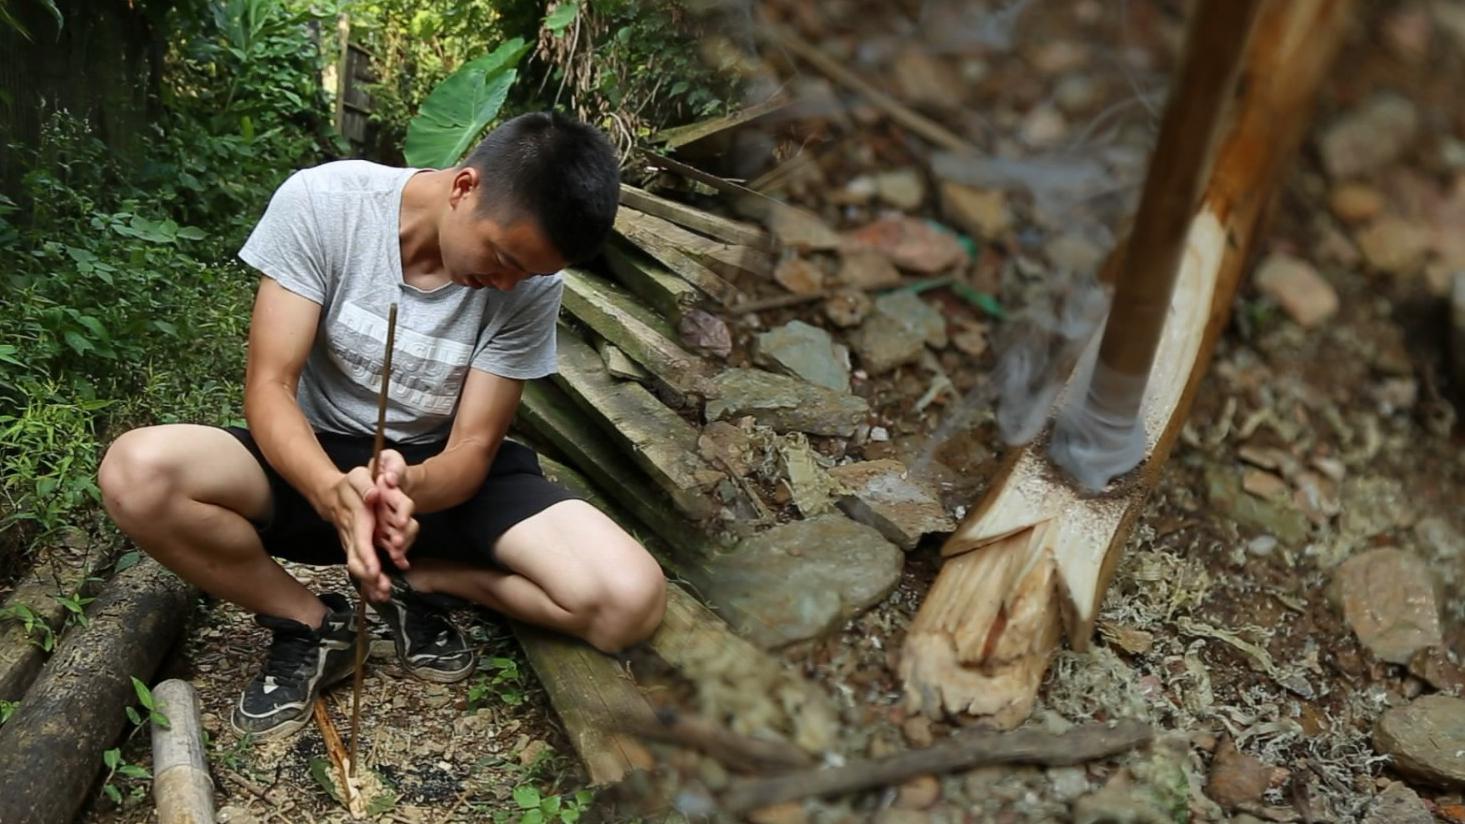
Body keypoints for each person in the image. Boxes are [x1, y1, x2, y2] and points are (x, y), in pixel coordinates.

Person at [98, 111, 667, 739]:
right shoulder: (326, 203)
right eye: (502, 257)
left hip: (436, 485)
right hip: (306, 458)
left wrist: (406, 485)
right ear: (463, 186)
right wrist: (331, 490)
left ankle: (426, 579)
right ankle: (311, 623)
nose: (507, 283)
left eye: (526, 274)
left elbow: (474, 447)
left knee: (629, 601)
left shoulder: (530, 283)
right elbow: (270, 387)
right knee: (138, 471)